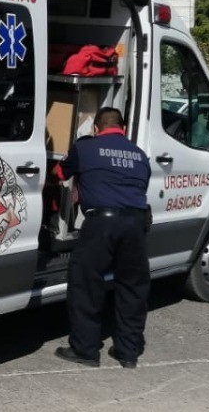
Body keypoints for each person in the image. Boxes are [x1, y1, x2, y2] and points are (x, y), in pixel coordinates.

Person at [54, 107, 151, 370]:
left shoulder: (85, 148)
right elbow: (140, 187)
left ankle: (85, 350)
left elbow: (60, 174)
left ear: (96, 128)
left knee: (86, 285)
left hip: (101, 224)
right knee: (132, 289)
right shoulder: (140, 155)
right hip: (135, 224)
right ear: (124, 129)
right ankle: (128, 352)